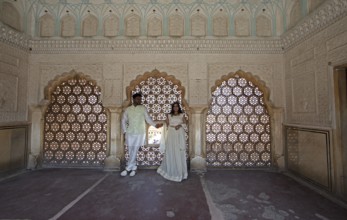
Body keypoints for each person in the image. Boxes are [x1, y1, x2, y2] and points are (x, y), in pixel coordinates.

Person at [121, 93, 163, 177]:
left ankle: (127, 168)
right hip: (130, 132)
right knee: (130, 150)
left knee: (135, 150)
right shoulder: (128, 109)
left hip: (140, 132)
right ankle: (133, 167)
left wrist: (155, 125)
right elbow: (123, 120)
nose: (139, 100)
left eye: (140, 99)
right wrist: (125, 131)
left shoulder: (143, 108)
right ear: (133, 99)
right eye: (137, 99)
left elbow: (148, 119)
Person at [157, 102, 188, 182]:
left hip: (179, 134)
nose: (175, 108)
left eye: (177, 106)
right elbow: (166, 125)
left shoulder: (182, 115)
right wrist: (161, 125)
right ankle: (171, 171)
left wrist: (180, 125)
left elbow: (185, 123)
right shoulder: (169, 115)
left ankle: (180, 173)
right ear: (172, 107)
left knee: (179, 151)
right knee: (171, 151)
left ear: (179, 107)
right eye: (174, 106)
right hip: (171, 134)